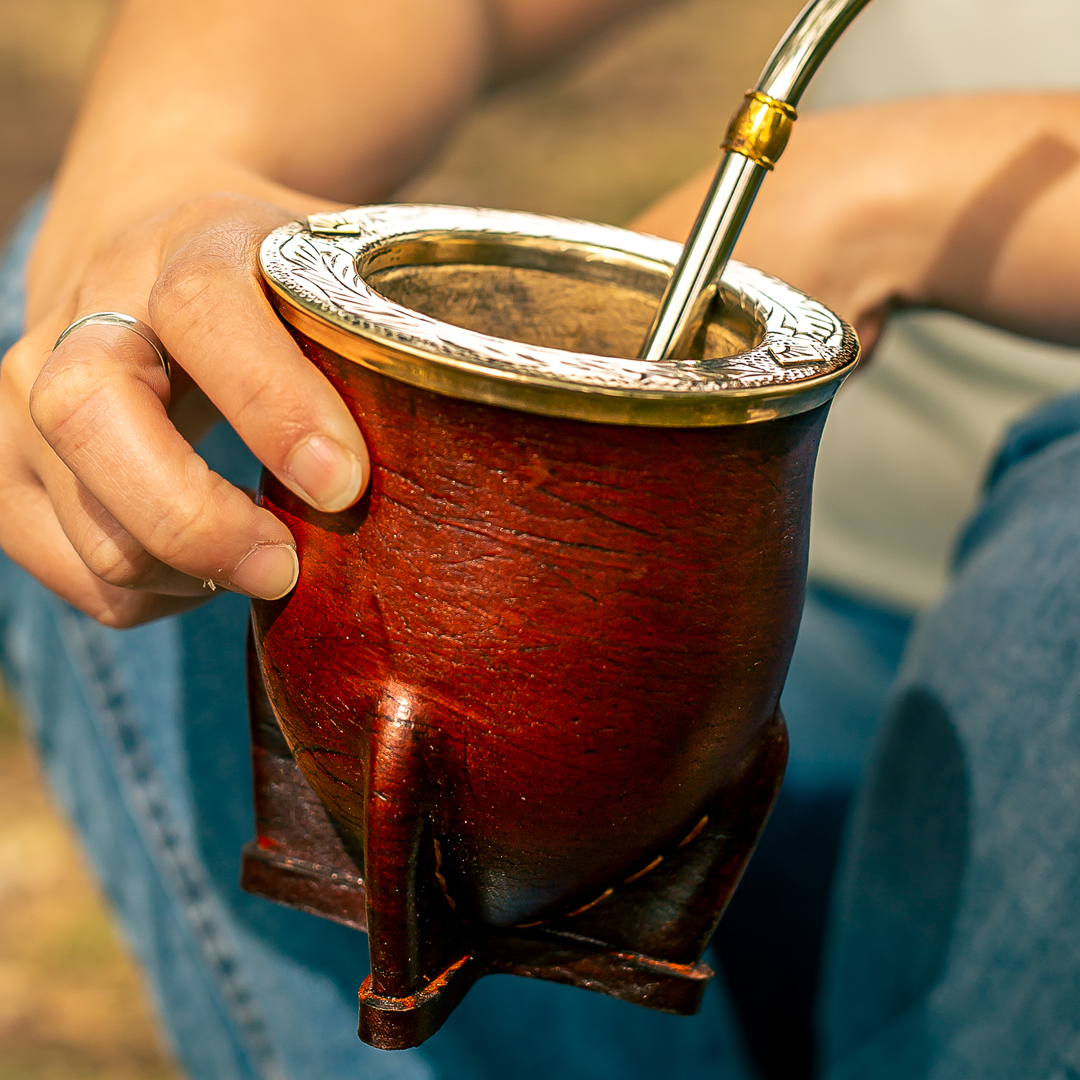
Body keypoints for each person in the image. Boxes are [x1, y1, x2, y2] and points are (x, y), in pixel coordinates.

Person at [3, 0, 1080, 1078]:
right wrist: (163, 177)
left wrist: (895, 189)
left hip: (1001, 788)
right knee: (142, 341)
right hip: (736, 676)